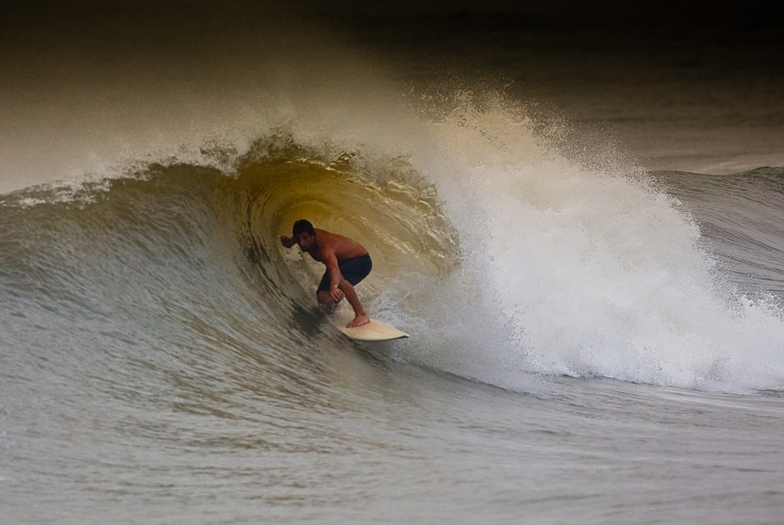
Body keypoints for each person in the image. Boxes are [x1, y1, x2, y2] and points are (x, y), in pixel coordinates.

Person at [281, 219, 372, 328]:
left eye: (305, 238)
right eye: (298, 239)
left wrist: (334, 286)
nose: (301, 243)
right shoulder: (305, 236)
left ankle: (361, 314)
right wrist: (290, 243)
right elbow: (300, 236)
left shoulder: (324, 248)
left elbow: (334, 269)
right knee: (322, 297)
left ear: (313, 235)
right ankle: (333, 307)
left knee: (340, 280)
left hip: (361, 261)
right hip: (342, 262)